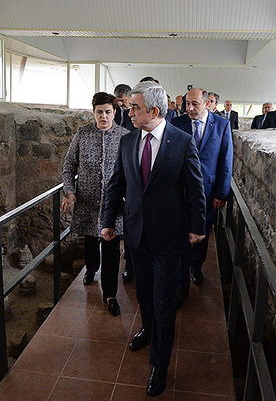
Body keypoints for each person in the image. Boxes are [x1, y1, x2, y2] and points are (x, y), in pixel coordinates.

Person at [102, 81, 206, 397]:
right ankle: (147, 328)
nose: (129, 112)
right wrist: (107, 222)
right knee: (144, 295)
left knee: (164, 303)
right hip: (136, 235)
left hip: (169, 238)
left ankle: (159, 365)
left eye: (135, 107)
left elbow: (195, 188)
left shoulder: (182, 142)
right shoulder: (127, 141)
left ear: (155, 111)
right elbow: (116, 184)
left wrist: (197, 226)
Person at [62, 92, 130, 317]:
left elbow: (132, 171)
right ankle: (91, 269)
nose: (103, 116)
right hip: (88, 202)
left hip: (114, 205)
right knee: (91, 241)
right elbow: (69, 166)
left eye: (108, 112)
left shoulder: (125, 136)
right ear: (93, 112)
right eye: (99, 112)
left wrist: (129, 196)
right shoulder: (83, 134)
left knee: (111, 250)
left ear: (115, 112)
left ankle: (110, 295)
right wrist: (69, 191)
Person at [171, 88, 232, 305]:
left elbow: (226, 160)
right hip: (180, 192)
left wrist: (221, 193)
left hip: (208, 193)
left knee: (201, 234)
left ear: (206, 104)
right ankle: (181, 285)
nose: (189, 108)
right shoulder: (177, 123)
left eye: (194, 104)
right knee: (181, 237)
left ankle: (196, 267)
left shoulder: (222, 125)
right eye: (187, 104)